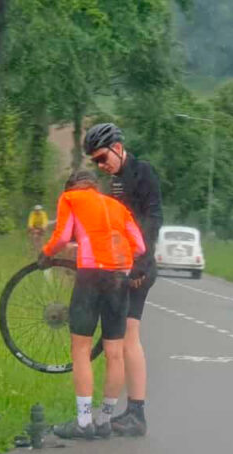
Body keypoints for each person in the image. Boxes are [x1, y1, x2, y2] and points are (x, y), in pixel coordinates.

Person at [39, 170, 146, 440]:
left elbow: (63, 236)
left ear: (73, 187)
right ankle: (105, 420)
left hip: (91, 276)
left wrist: (46, 253)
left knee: (81, 348)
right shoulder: (117, 206)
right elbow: (140, 246)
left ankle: (84, 422)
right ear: (95, 187)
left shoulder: (70, 198)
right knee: (115, 352)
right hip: (119, 277)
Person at [83, 123, 162, 437]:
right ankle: (130, 410)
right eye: (96, 163)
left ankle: (137, 412)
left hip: (138, 268)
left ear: (117, 146)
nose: (101, 166)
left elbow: (153, 218)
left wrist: (141, 262)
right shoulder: (112, 182)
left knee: (129, 335)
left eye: (103, 158)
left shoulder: (143, 173)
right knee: (120, 336)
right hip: (118, 265)